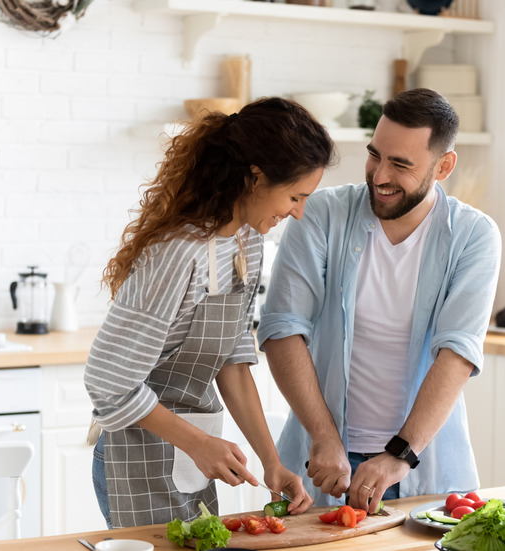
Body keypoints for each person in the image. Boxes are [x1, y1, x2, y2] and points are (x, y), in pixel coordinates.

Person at [84, 96, 335, 528]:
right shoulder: (178, 253)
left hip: (191, 462)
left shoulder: (247, 243)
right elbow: (108, 381)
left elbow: (233, 363)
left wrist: (271, 462)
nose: (298, 212)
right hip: (137, 460)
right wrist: (199, 444)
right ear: (255, 177)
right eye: (294, 196)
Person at [256, 88, 502, 514]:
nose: (380, 175)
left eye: (401, 164)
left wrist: (399, 455)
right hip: (320, 463)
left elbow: (458, 352)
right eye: (376, 155)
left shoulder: (474, 236)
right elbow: (282, 329)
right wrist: (325, 436)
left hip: (421, 467)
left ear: (444, 166)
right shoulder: (319, 214)